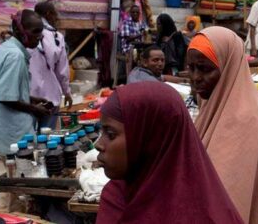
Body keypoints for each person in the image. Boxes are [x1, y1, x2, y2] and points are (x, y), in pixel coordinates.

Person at [96, 82, 243, 223]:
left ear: (149, 138)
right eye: (101, 132)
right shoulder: (116, 197)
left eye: (110, 134)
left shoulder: (201, 214)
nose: (98, 145)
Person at [186, 26, 258, 224]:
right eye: (191, 67)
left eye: (205, 69)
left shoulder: (243, 119)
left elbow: (224, 206)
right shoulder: (214, 104)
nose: (195, 78)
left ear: (229, 68)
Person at [0, 9, 52, 211]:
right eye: (35, 31)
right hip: (12, 133)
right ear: (19, 30)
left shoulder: (5, 49)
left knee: (13, 182)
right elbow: (7, 97)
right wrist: (34, 109)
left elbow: (5, 87)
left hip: (4, 129)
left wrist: (31, 98)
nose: (39, 36)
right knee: (15, 186)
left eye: (41, 32)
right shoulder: (15, 56)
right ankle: (5, 216)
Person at [30, 0, 72, 130]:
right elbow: (62, 71)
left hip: (28, 96)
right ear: (48, 14)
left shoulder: (25, 34)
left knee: (27, 139)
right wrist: (67, 92)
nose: (57, 17)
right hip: (50, 96)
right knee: (46, 138)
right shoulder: (56, 37)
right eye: (55, 14)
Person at [120, 5, 148, 75]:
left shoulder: (142, 23)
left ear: (139, 14)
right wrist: (140, 34)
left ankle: (143, 76)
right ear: (130, 13)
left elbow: (147, 33)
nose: (135, 14)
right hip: (129, 47)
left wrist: (146, 33)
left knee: (148, 54)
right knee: (134, 52)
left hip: (140, 47)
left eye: (137, 12)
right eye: (133, 12)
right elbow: (127, 38)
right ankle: (130, 77)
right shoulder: (126, 22)